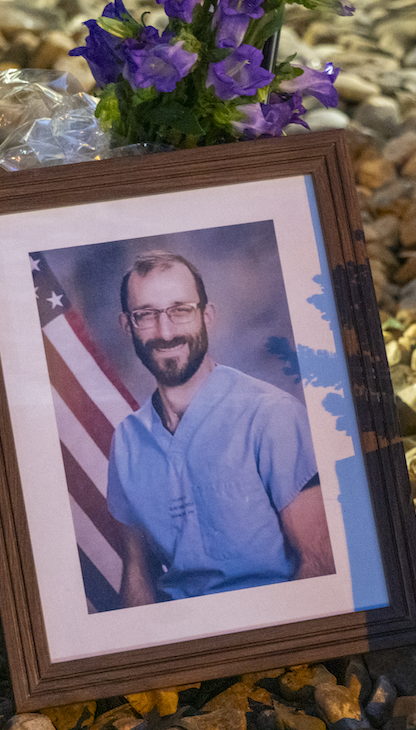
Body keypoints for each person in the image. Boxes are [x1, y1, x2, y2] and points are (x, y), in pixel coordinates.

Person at [105, 250, 335, 606]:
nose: (165, 331)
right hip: (180, 635)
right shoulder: (126, 442)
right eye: (146, 315)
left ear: (207, 316)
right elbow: (138, 573)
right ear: (127, 325)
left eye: (180, 310)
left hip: (271, 621)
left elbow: (320, 563)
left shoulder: (272, 416)